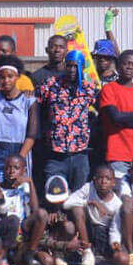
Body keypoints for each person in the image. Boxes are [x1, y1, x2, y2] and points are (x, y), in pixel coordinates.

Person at [37, 50, 99, 191]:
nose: (72, 70)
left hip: (79, 152)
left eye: (75, 66)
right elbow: (36, 103)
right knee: (54, 193)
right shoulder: (52, 84)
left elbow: (102, 107)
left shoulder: (89, 88)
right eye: (69, 66)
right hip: (55, 152)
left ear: (82, 67)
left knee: (78, 195)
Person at [0, 60, 39, 176]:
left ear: (17, 77)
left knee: (20, 191)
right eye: (2, 77)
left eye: (10, 76)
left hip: (20, 152)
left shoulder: (29, 101)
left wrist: (20, 159)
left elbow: (31, 135)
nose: (6, 81)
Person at [64, 164, 128, 265]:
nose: (104, 181)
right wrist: (90, 202)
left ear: (113, 183)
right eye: (100, 178)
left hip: (103, 234)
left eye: (108, 179)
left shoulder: (117, 204)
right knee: (77, 209)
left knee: (123, 260)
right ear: (94, 179)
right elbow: (67, 203)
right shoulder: (88, 188)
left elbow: (115, 228)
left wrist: (114, 242)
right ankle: (86, 251)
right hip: (87, 229)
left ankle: (103, 256)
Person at [0, 154, 47, 265]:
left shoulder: (24, 188)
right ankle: (8, 256)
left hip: (22, 229)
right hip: (4, 229)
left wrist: (30, 182)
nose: (11, 171)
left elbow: (35, 209)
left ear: (23, 171)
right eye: (8, 168)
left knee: (42, 214)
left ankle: (30, 253)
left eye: (16, 168)